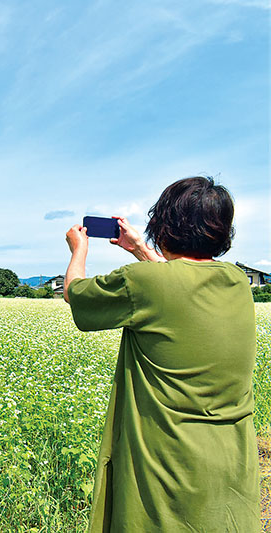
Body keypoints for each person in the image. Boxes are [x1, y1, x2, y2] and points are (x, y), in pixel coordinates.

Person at [63, 176, 260, 532]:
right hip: (232, 467)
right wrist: (140, 249)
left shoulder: (143, 283)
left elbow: (75, 294)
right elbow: (182, 281)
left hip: (166, 472)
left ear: (164, 225)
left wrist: (79, 249)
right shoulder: (236, 283)